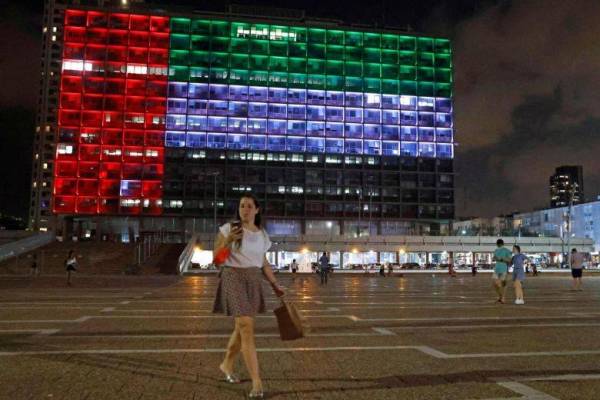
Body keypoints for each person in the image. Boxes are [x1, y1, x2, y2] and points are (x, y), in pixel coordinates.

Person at [212, 194, 284, 399]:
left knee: (241, 326)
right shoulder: (228, 229)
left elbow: (264, 263)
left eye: (249, 206)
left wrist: (275, 284)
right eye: (242, 206)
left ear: (257, 210)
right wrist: (228, 241)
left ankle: (226, 364)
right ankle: (257, 382)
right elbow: (216, 260)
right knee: (245, 325)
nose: (244, 209)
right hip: (232, 276)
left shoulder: (262, 235)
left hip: (253, 278)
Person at [492, 239, 512, 303]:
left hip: (502, 268)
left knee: (500, 284)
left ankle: (502, 297)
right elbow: (494, 258)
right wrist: (494, 258)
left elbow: (509, 260)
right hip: (498, 268)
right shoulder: (496, 250)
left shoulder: (506, 250)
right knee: (496, 284)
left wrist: (501, 259)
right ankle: (501, 297)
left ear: (499, 244)